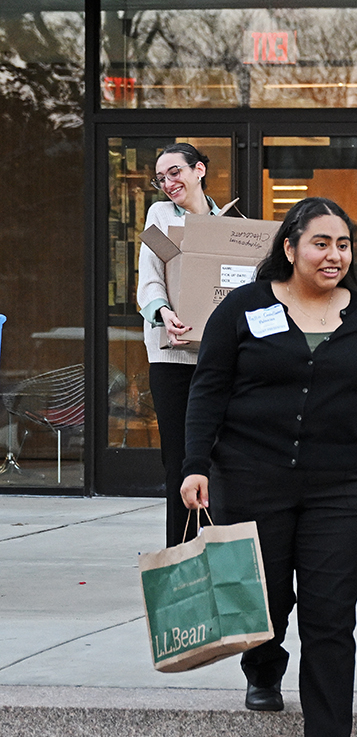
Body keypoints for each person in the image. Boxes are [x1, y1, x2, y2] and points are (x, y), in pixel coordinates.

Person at [180, 197, 357, 737]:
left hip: (345, 485)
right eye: (321, 243)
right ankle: (262, 663)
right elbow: (209, 388)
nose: (334, 255)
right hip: (252, 475)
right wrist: (194, 464)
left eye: (343, 245)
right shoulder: (244, 308)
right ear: (289, 247)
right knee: (266, 599)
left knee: (331, 616)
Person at [136, 143, 224, 548]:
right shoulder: (160, 217)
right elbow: (150, 277)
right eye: (161, 177)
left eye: (175, 173)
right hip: (171, 355)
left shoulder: (229, 223)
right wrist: (163, 312)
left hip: (216, 358)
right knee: (179, 461)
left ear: (199, 170)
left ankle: (222, 547)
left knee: (218, 459)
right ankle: (183, 552)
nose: (168, 183)